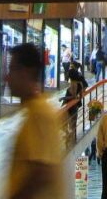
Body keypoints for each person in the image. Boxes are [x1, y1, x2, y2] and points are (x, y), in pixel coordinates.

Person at [5, 43, 65, 199]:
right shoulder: (33, 112)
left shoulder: (40, 114)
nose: (7, 77)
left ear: (26, 72)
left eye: (12, 69)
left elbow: (41, 173)